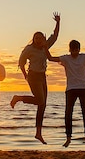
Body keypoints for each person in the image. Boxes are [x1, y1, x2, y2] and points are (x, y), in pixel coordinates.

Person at [46, 40, 85, 147]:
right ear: (69, 49)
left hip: (83, 88)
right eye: (72, 50)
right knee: (68, 113)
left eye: (76, 50)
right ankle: (68, 137)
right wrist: (45, 47)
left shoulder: (84, 57)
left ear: (79, 49)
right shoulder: (66, 58)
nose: (74, 52)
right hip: (71, 89)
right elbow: (50, 58)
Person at [10, 12, 61, 144]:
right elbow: (21, 61)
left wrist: (58, 22)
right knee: (40, 100)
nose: (38, 40)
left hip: (42, 76)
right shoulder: (29, 49)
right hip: (33, 76)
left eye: (40, 38)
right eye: (36, 38)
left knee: (42, 104)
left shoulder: (45, 47)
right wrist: (25, 75)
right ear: (33, 39)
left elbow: (55, 36)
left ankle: (38, 133)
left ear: (43, 39)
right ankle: (18, 98)